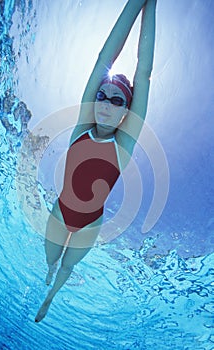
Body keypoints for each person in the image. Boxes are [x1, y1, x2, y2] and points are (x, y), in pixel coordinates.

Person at [35, 0, 156, 323]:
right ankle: (49, 272)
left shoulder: (123, 144)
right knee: (51, 259)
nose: (104, 104)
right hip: (60, 212)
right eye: (100, 95)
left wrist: (150, 5)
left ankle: (50, 297)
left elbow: (143, 75)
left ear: (126, 113)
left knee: (68, 266)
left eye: (117, 101)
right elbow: (105, 58)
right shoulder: (81, 128)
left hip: (90, 225)